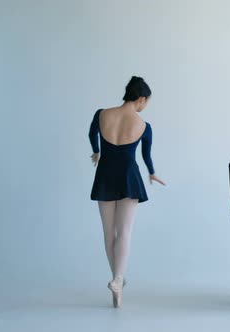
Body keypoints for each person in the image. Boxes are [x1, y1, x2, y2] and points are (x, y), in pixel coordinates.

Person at [88, 76, 166, 308]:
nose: (144, 106)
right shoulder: (144, 126)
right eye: (146, 102)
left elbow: (91, 134)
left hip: (104, 174)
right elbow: (146, 156)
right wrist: (152, 173)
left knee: (108, 233)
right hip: (129, 178)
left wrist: (96, 152)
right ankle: (118, 279)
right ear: (141, 99)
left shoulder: (102, 114)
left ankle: (117, 280)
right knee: (125, 232)